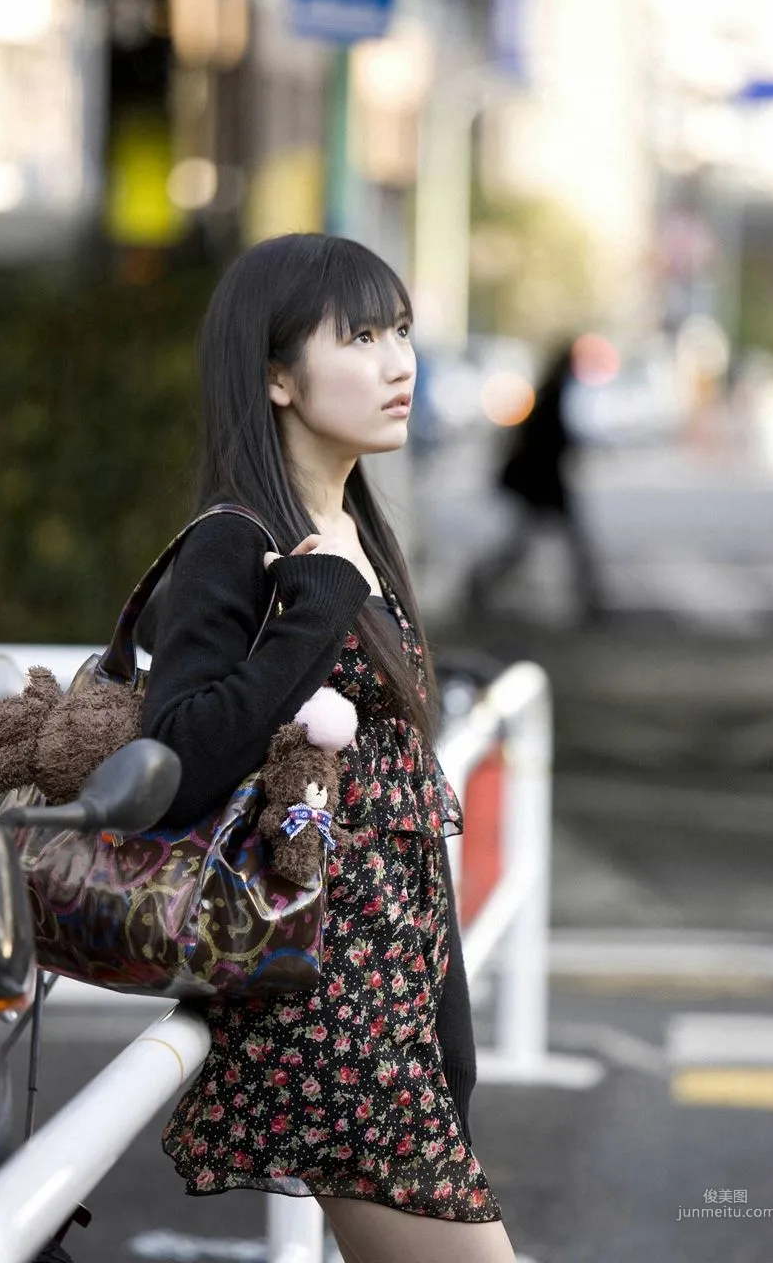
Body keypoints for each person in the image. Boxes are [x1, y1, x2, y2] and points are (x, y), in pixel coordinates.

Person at [141, 233, 517, 1263]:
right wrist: (316, 606)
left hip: (390, 1013)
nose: (401, 363)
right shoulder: (238, 538)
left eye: (401, 331)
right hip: (325, 1022)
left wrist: (450, 1047)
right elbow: (176, 752)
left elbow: (400, 813)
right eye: (360, 336)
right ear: (273, 373)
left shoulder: (352, 526)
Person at [466, 340, 605, 624]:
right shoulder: (552, 395)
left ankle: (480, 585)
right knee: (559, 544)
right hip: (542, 485)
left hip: (539, 483)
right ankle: (591, 601)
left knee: (527, 544)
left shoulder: (549, 393)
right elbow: (548, 442)